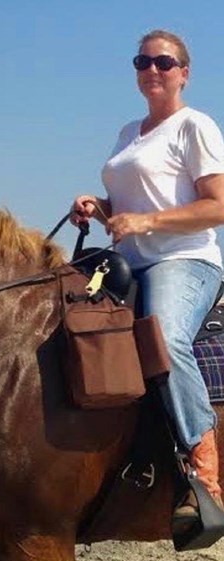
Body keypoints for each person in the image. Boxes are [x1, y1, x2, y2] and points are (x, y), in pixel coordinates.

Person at [71, 29, 224, 525]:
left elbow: (218, 206)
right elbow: (134, 206)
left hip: (183, 259)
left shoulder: (194, 126)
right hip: (127, 260)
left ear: (184, 72)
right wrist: (100, 208)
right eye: (142, 62)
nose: (151, 70)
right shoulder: (128, 132)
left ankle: (205, 475)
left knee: (163, 333)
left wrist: (147, 223)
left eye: (163, 62)